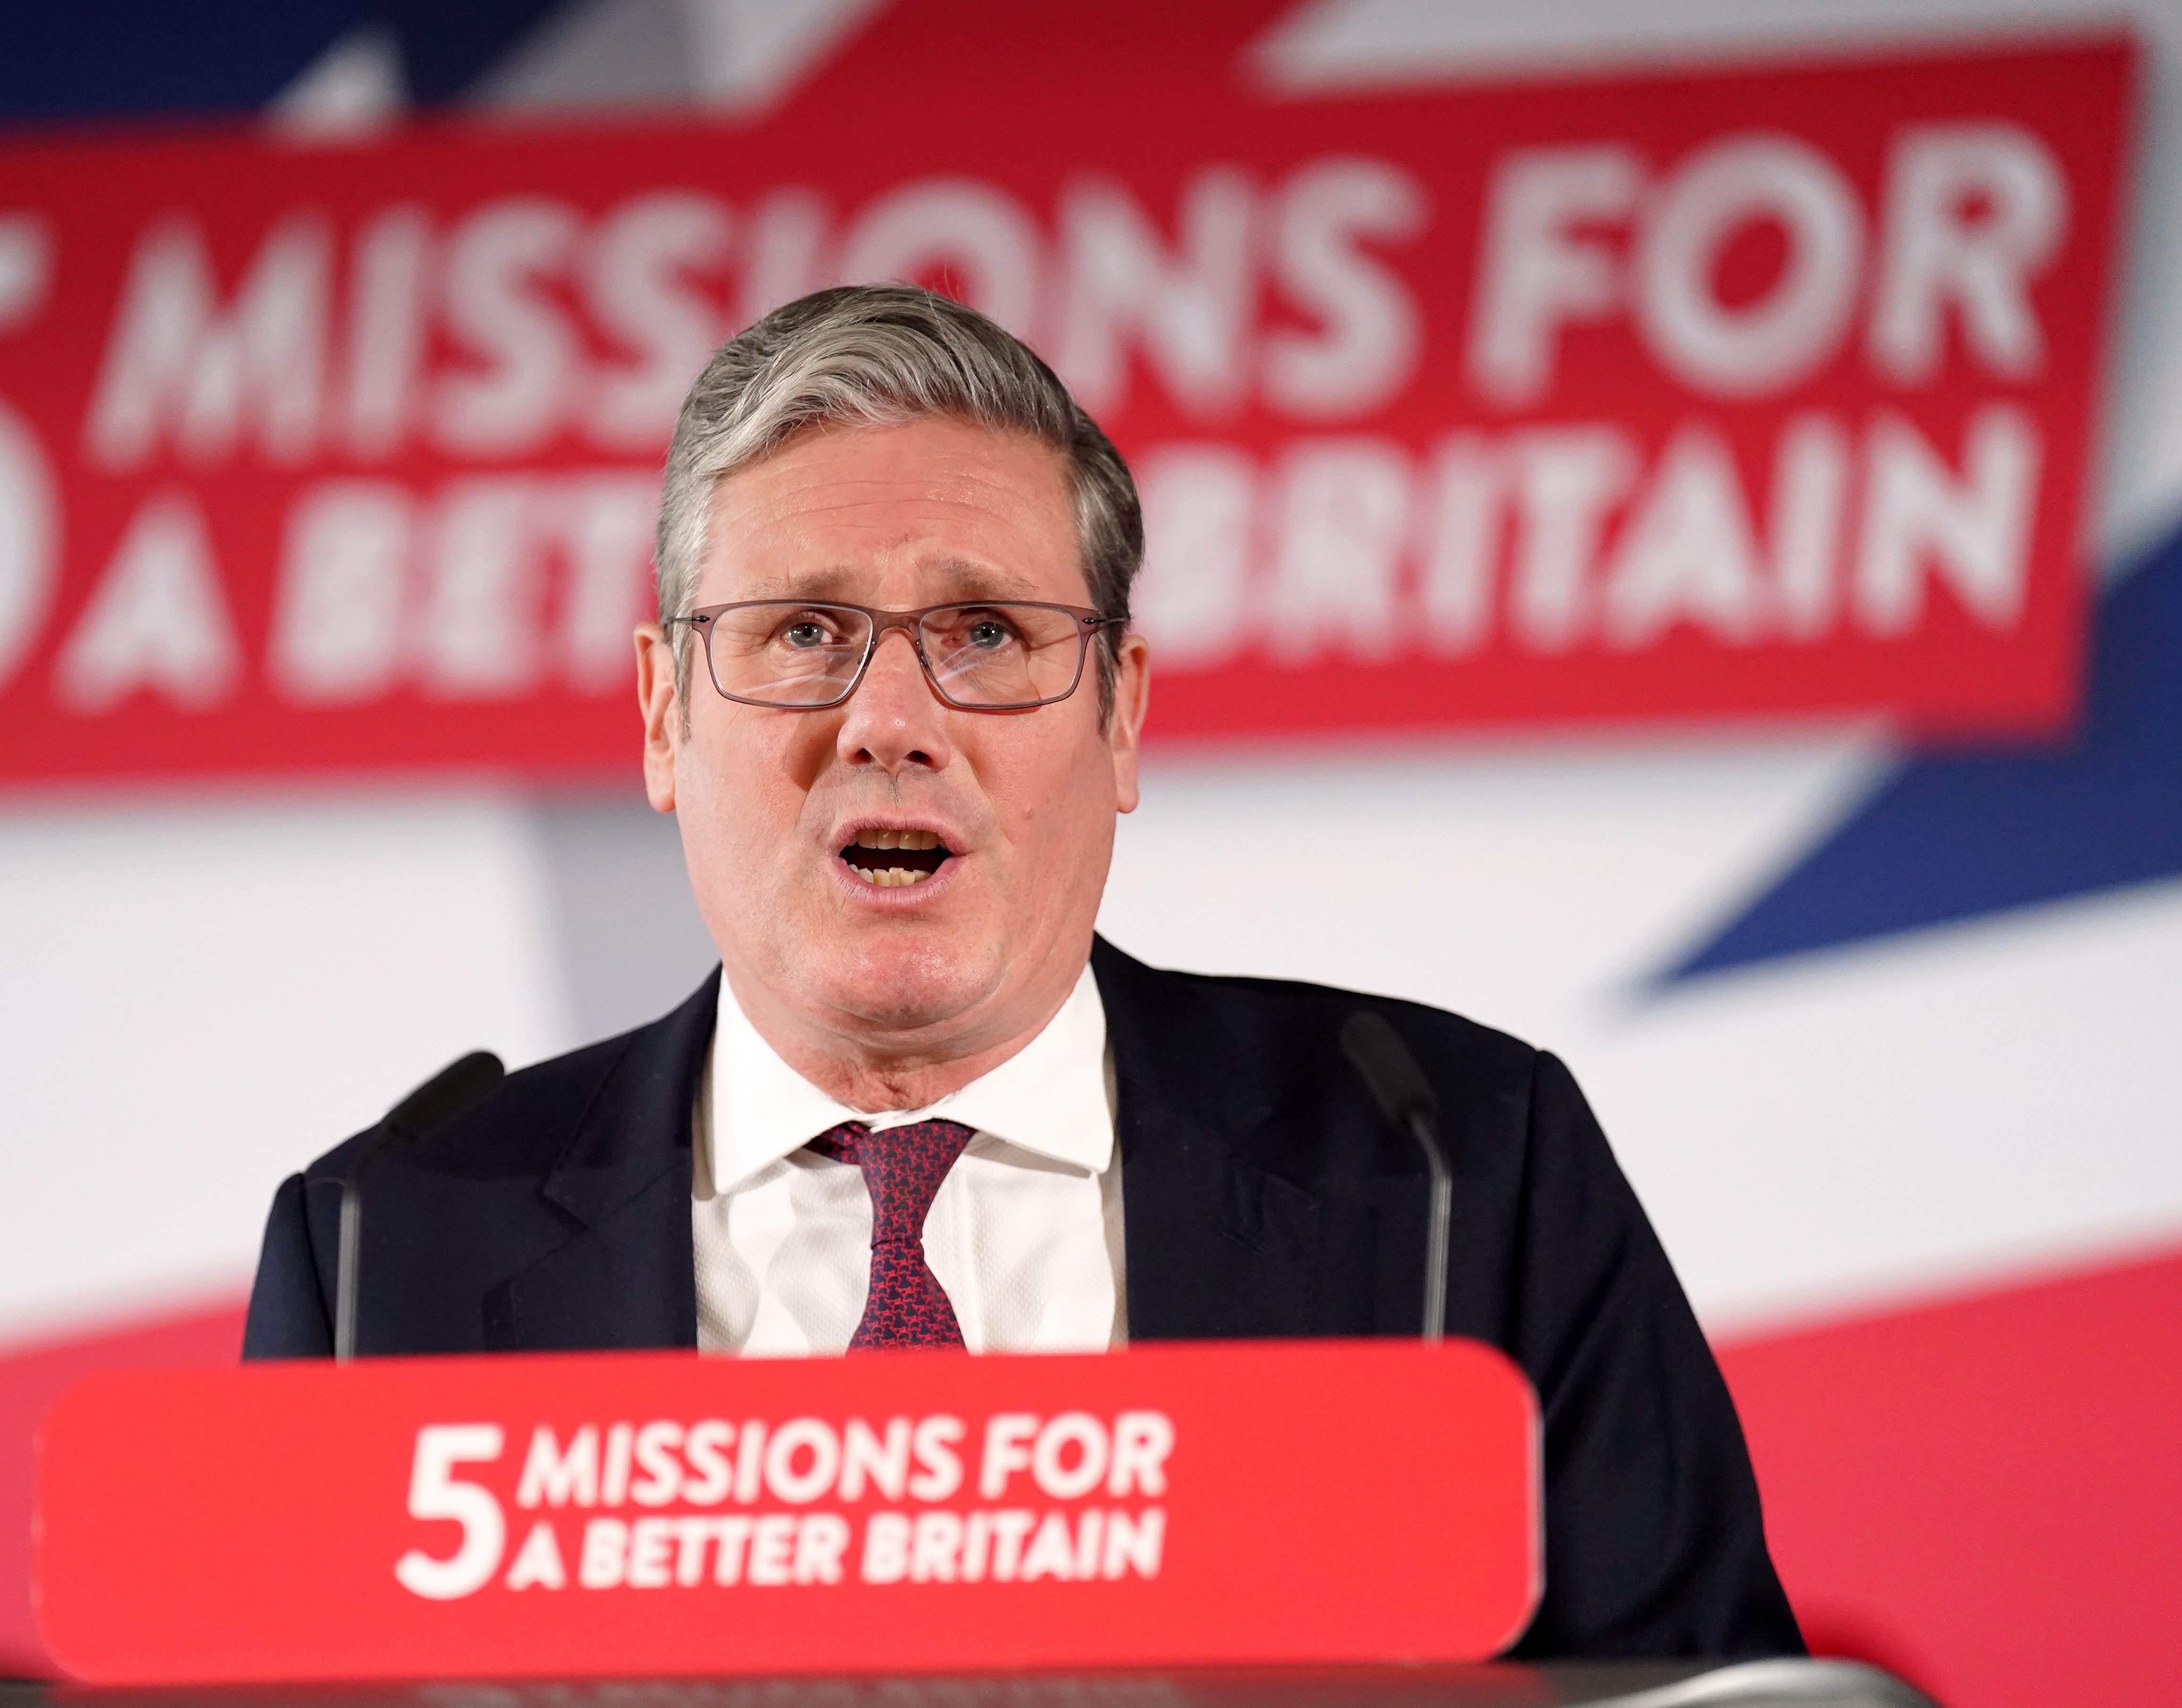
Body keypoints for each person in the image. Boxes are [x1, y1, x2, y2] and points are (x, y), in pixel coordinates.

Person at [244, 283, 1803, 1660]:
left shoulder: (1459, 1176)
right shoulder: (389, 1252)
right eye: (801, 633)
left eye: (984, 634)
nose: (889, 720)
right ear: (663, 717)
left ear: (1119, 716)